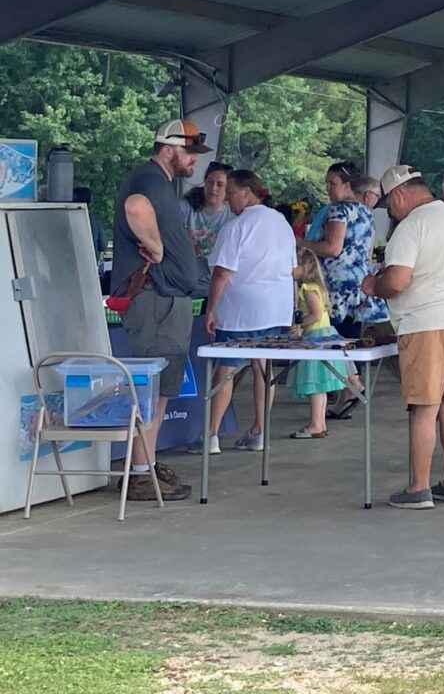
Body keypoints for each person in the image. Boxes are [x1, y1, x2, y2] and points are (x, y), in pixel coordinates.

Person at [362, 165, 444, 510]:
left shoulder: (410, 227)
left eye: (389, 205)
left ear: (400, 194)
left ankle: (418, 488)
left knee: (423, 409)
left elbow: (398, 281)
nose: (390, 212)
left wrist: (375, 285)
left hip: (427, 324)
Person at [111, 118, 214, 502]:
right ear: (169, 148)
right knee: (151, 388)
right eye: (190, 153)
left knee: (160, 388)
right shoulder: (150, 181)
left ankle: (146, 466)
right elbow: (135, 207)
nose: (194, 162)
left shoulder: (160, 182)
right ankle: (139, 473)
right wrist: (155, 250)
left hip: (165, 297)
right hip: (155, 297)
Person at [202, 170, 298, 456]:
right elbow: (292, 269)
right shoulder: (281, 222)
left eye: (231, 192)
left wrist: (210, 309)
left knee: (226, 369)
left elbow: (221, 273)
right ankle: (259, 431)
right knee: (263, 368)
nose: (228, 198)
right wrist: (292, 309)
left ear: (246, 192)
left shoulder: (237, 226)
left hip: (240, 310)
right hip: (276, 308)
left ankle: (211, 434)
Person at [308, 161, 389, 346]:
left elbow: (333, 248)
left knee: (335, 347)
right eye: (327, 184)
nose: (328, 189)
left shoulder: (339, 209)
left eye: (332, 183)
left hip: (338, 287)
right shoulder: (366, 212)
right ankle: (355, 376)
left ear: (347, 185)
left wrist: (303, 243)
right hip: (359, 285)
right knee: (352, 347)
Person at [288, 247, 365, 441]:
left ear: (303, 267)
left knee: (315, 384)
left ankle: (315, 424)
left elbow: (315, 315)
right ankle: (319, 423)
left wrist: (298, 324)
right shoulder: (318, 288)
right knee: (320, 385)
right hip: (324, 337)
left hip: (316, 338)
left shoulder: (307, 289)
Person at [182, 160, 234, 275]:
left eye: (220, 184)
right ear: (204, 182)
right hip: (183, 268)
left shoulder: (232, 215)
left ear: (228, 188)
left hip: (212, 273)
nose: (213, 188)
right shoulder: (185, 206)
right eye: (210, 182)